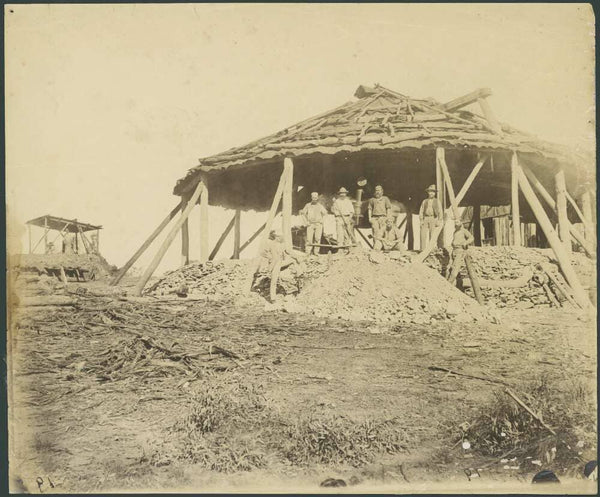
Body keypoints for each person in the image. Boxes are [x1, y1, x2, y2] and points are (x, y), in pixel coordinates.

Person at [446, 220, 474, 286]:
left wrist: (465, 243)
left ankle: (449, 283)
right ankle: (455, 284)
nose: (456, 223)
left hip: (460, 250)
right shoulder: (455, 232)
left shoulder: (464, 231)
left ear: (461, 223)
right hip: (454, 250)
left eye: (457, 222)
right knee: (451, 267)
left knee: (455, 267)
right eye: (455, 222)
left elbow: (471, 238)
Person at [419, 184, 443, 251]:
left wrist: (439, 220)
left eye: (433, 192)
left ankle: (430, 249)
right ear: (428, 193)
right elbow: (421, 210)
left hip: (433, 218)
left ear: (435, 193)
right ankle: (422, 249)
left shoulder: (437, 201)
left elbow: (440, 212)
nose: (431, 193)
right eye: (430, 191)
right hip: (425, 218)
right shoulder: (424, 201)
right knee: (422, 234)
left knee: (432, 234)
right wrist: (421, 220)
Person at [331, 187, 355, 252]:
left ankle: (347, 248)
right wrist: (336, 211)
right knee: (339, 234)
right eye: (341, 193)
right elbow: (332, 210)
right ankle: (340, 249)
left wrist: (349, 219)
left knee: (347, 234)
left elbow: (352, 212)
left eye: (344, 193)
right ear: (339, 194)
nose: (342, 194)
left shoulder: (348, 201)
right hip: (339, 218)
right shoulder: (336, 202)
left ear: (346, 194)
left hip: (347, 218)